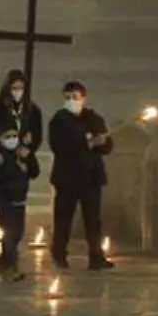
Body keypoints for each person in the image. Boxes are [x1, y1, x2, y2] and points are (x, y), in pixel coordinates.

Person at [48, 80, 114, 271]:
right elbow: (59, 146)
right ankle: (59, 255)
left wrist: (102, 142)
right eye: (68, 98)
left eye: (75, 97)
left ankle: (96, 256)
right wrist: (85, 144)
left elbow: (108, 146)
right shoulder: (59, 121)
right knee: (63, 219)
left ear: (84, 98)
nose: (72, 101)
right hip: (67, 178)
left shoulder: (93, 118)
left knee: (93, 220)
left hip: (91, 178)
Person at [0, 121, 39, 281]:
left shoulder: (20, 153)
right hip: (4, 200)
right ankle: (9, 265)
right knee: (10, 233)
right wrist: (16, 169)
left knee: (18, 233)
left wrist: (29, 158)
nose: (12, 139)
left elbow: (34, 172)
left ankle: (5, 260)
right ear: (0, 139)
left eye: (15, 136)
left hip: (19, 199)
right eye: (8, 136)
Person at [0, 69, 43, 154]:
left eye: (21, 88)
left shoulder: (33, 109)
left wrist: (29, 147)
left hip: (24, 155)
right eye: (14, 88)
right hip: (3, 154)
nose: (18, 92)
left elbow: (37, 135)